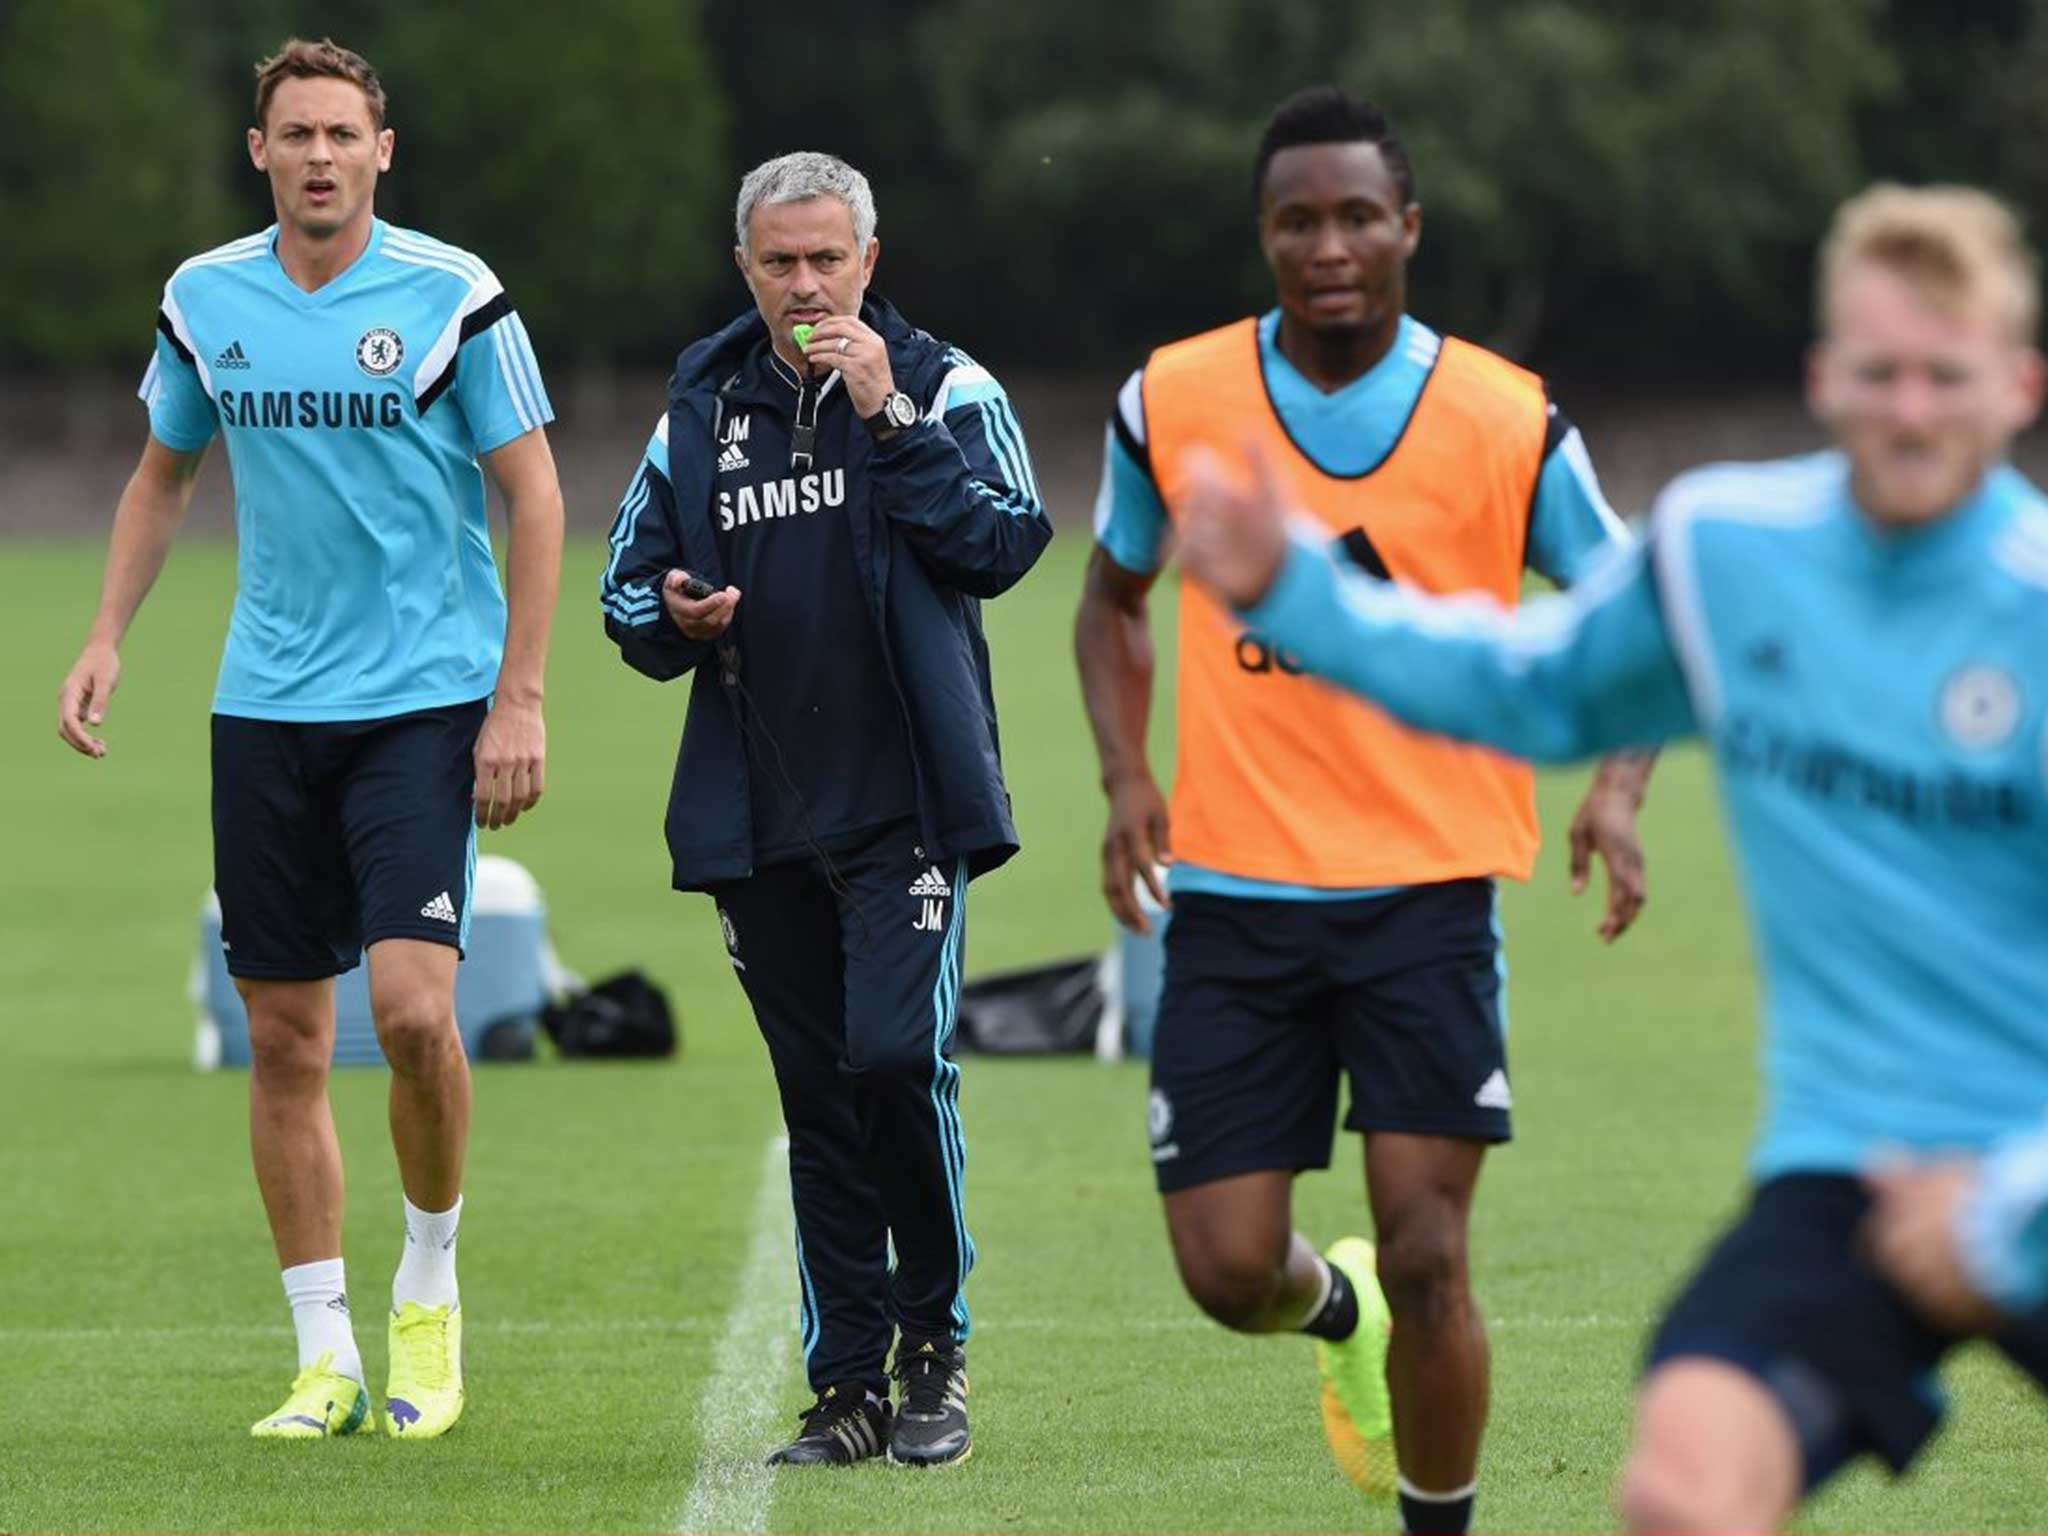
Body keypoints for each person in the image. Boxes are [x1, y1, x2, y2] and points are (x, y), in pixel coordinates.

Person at [1174, 181, 2048, 1532]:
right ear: (1824, 379)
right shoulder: (1727, 556)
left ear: (2020, 387)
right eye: (1880, 372)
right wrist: (1301, 598)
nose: (1912, 409)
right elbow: (1531, 683)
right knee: (1683, 1491)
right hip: (1853, 1168)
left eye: (1949, 374)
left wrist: (2006, 1207)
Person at [1071, 85, 1654, 1531]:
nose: (1326, 244)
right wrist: (1126, 773)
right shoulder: (1173, 399)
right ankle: (1340, 1321)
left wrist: (1621, 792)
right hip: (1233, 898)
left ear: (1408, 227)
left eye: (1353, 216)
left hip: (1428, 893)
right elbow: (1110, 601)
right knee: (1225, 1271)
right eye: (1295, 220)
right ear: (1263, 234)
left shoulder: (1508, 418)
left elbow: (1642, 616)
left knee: (1433, 1249)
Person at [55, 37, 564, 1440]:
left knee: (409, 1015)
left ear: (382, 151)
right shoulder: (204, 300)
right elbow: (163, 476)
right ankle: (325, 1356)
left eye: (346, 133)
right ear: (262, 152)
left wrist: (518, 697)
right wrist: (106, 635)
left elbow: (533, 496)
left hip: (423, 700)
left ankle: (430, 1288)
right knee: (285, 1041)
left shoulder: (452, 294)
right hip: (265, 706)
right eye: (298, 134)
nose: (322, 155)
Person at [601, 151, 1050, 1469]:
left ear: (869, 260)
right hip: (758, 813)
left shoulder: (949, 384)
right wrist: (673, 617)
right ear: (744, 266)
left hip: (907, 803)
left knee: (896, 1060)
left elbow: (1005, 543)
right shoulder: (699, 407)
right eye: (779, 263)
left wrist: (890, 419)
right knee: (819, 1094)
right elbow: (629, 592)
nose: (805, 287)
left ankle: (935, 1347)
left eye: (826, 261)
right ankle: (846, 1384)